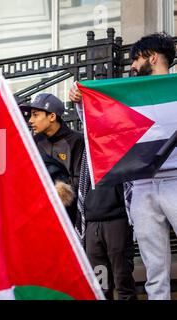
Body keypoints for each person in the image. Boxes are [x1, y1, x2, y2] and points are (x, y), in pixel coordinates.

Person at [69, 32, 177, 300]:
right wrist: (83, 101)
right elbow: (102, 128)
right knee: (154, 267)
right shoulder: (128, 97)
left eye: (137, 59)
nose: (132, 66)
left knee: (156, 266)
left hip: (175, 179)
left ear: (152, 57)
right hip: (140, 184)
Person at [27, 93, 84, 222]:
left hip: (70, 219)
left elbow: (80, 182)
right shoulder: (32, 143)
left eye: (35, 115)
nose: (30, 120)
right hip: (38, 217)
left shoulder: (77, 141)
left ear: (52, 116)